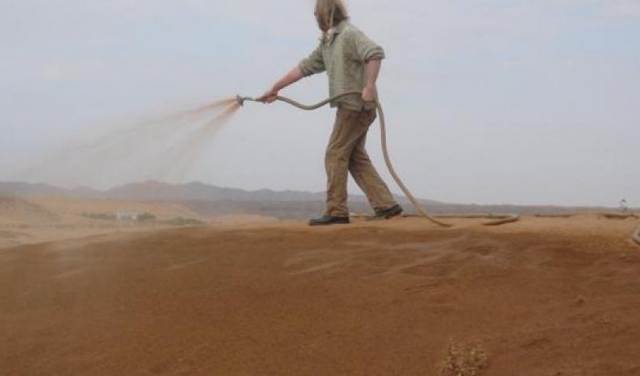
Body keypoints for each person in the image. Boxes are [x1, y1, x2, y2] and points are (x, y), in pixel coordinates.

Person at [257, 0, 402, 226]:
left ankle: (337, 211)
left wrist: (370, 86)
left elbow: (374, 52)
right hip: (351, 106)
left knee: (335, 154)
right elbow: (304, 68)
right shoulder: (328, 43)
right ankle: (386, 205)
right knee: (354, 155)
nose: (316, 18)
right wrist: (275, 88)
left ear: (325, 14)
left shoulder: (348, 35)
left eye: (317, 14)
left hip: (356, 106)